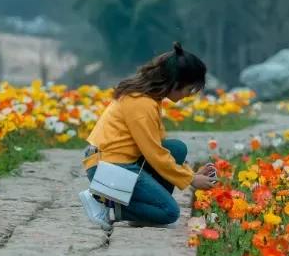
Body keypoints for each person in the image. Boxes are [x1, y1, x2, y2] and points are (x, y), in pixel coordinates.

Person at [79, 42, 217, 232]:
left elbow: (160, 148)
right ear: (176, 82)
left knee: (176, 148)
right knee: (169, 213)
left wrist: (190, 173)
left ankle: (136, 207)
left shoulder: (151, 99)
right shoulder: (141, 103)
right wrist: (191, 180)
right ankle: (105, 203)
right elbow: (154, 154)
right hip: (108, 167)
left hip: (121, 162)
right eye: (190, 89)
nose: (188, 95)